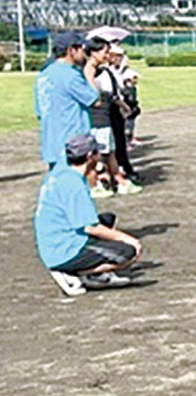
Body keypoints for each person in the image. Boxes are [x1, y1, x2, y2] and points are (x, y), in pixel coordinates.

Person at [34, 134, 143, 297]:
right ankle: (71, 272)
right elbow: (90, 227)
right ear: (90, 156)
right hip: (63, 250)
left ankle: (94, 274)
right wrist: (128, 239)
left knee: (108, 219)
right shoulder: (73, 184)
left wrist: (96, 170)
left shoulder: (62, 170)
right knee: (129, 253)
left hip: (53, 240)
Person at [34, 32, 100, 170]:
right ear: (71, 50)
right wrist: (90, 72)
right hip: (73, 141)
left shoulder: (43, 75)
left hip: (51, 142)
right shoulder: (70, 75)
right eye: (82, 49)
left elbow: (40, 111)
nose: (85, 53)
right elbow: (95, 100)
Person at [89, 40, 142, 198]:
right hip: (100, 115)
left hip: (108, 113)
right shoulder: (92, 70)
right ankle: (100, 181)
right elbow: (96, 95)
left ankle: (117, 179)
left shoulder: (106, 70)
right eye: (106, 52)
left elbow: (113, 92)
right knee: (99, 152)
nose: (109, 56)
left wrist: (123, 104)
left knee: (111, 149)